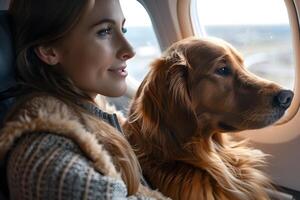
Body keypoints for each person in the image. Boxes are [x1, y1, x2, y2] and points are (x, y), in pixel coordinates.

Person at [0, 0, 169, 199]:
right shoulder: (49, 162)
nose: (129, 50)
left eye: (123, 29)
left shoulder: (100, 122)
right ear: (49, 50)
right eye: (104, 31)